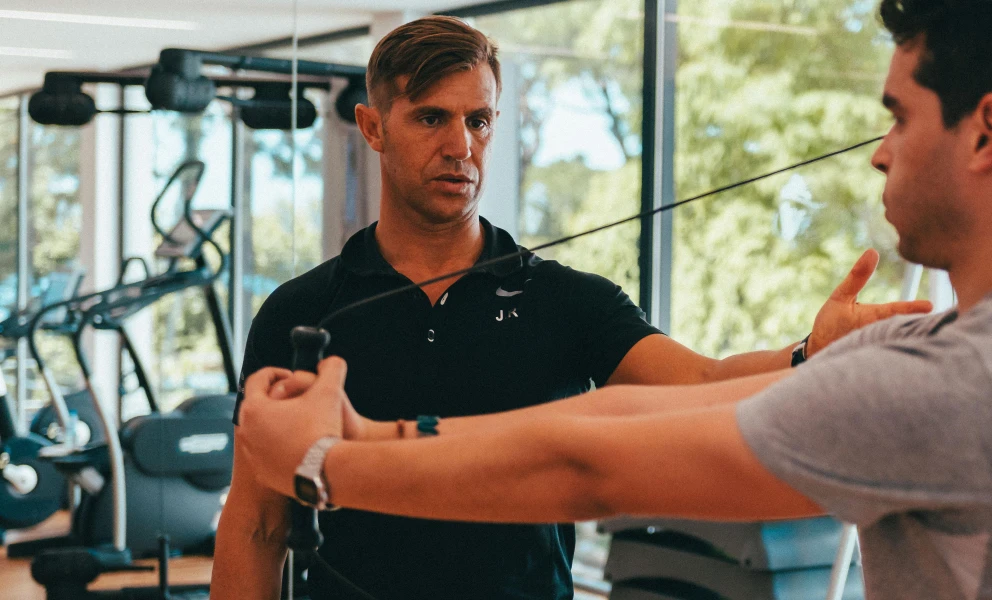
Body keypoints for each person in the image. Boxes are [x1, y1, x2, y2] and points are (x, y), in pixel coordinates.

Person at [239, 1, 992, 598]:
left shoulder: (969, 384)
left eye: (896, 115)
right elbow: (632, 412)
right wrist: (815, 356)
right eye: (431, 118)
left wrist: (329, 457)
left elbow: (590, 461)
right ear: (375, 129)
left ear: (985, 133)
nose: (879, 148)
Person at [211, 16, 930, 600]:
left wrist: (808, 356)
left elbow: (705, 386)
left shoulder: (566, 300)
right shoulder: (301, 311)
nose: (461, 146)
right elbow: (254, 523)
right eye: (431, 118)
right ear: (372, 128)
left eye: (480, 121)